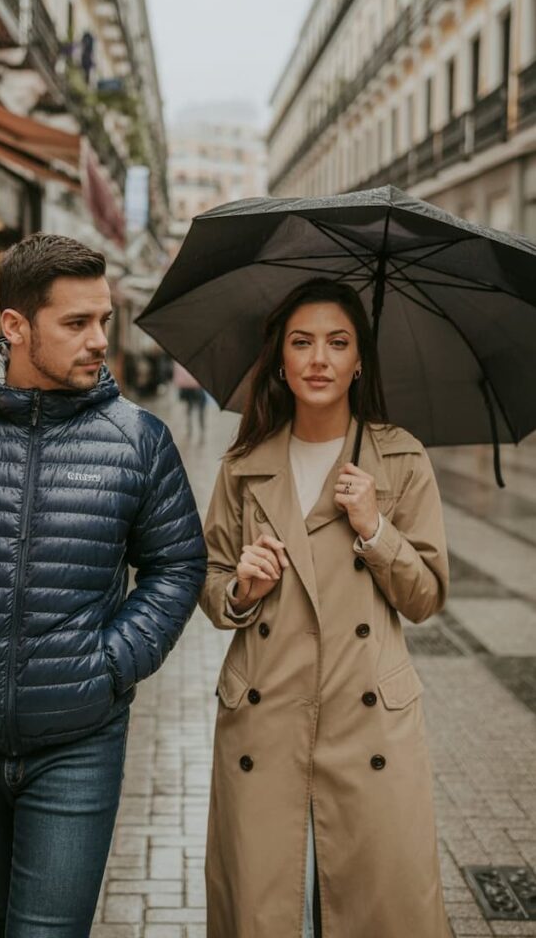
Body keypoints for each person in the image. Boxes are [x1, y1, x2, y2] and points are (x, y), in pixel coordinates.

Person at [0, 233, 206, 938]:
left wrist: (109, 662)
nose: (98, 340)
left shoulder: (137, 440)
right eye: (76, 323)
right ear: (14, 326)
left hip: (78, 736)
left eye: (103, 320)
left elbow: (176, 565)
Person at [199, 278, 451, 938]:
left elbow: (424, 596)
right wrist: (239, 589)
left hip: (367, 717)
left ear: (359, 360)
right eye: (301, 342)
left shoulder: (399, 458)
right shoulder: (244, 464)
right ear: (279, 359)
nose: (318, 359)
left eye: (337, 343)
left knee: (375, 901)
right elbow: (209, 575)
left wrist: (374, 529)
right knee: (266, 902)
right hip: (265, 710)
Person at [173, 361, 207, 440]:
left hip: (189, 388)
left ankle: (191, 429)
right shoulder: (201, 361)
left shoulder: (182, 358)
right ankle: (200, 430)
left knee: (190, 409)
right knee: (199, 411)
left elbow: (177, 377)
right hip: (197, 388)